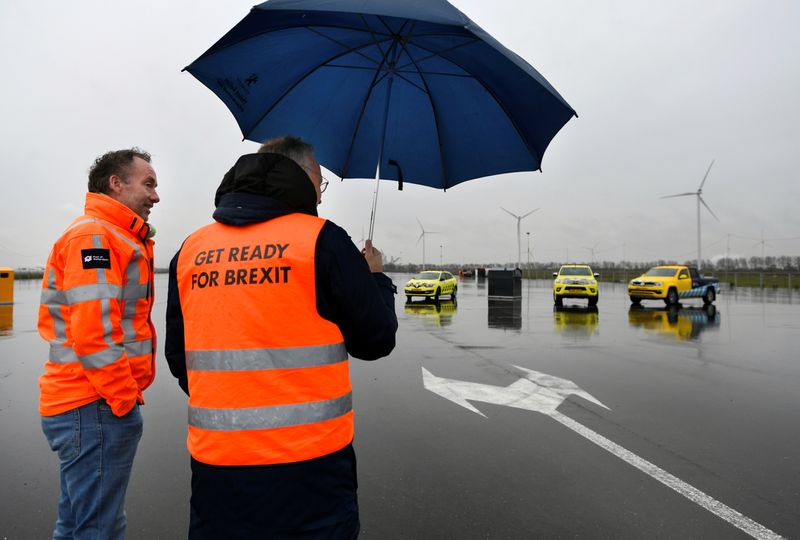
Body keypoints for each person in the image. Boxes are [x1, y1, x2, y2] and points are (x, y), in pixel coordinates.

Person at [165, 135, 397, 539]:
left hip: (217, 467)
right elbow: (375, 340)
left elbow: (178, 358)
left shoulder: (192, 249)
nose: (321, 197)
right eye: (321, 184)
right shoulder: (321, 239)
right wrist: (374, 277)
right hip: (311, 468)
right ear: (304, 176)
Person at [38, 148, 160, 539]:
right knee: (99, 528)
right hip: (93, 405)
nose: (155, 196)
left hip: (85, 404)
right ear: (116, 183)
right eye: (149, 184)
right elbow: (95, 335)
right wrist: (123, 400)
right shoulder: (97, 236)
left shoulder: (111, 235)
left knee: (76, 522)